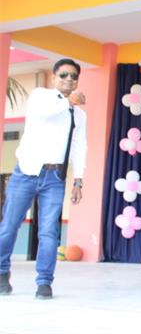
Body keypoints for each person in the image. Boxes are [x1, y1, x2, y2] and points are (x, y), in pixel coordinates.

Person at [0, 59, 87, 299]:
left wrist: (78, 180)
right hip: (26, 173)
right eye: (64, 75)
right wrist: (68, 101)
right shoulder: (40, 96)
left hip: (54, 177)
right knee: (9, 226)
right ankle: (1, 271)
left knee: (49, 231)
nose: (69, 79)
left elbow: (79, 147)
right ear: (54, 76)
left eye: (74, 76)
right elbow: (46, 112)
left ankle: (44, 282)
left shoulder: (79, 114)